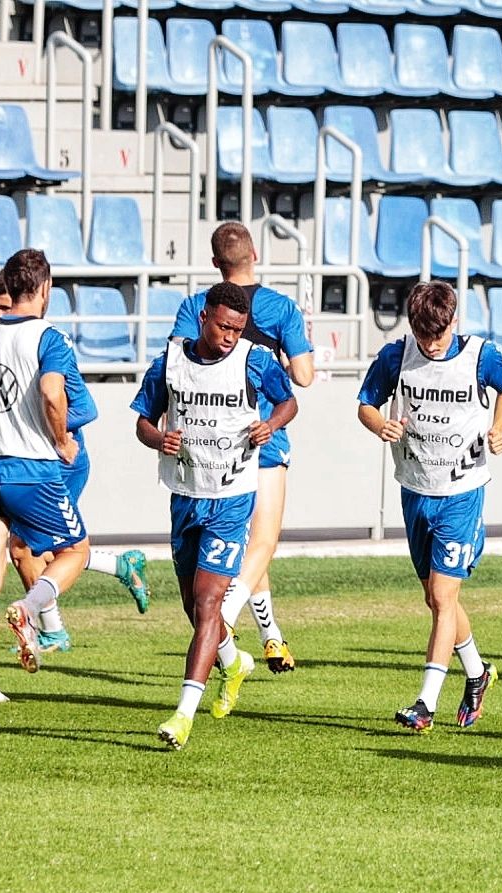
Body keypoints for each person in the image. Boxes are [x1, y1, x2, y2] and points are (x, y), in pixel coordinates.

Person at [134, 282, 297, 749]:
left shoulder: (255, 360)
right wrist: (156, 438)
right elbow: (144, 418)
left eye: (238, 328)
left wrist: (271, 423)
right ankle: (234, 662)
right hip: (185, 494)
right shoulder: (171, 361)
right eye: (224, 325)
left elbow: (289, 401)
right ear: (204, 316)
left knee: (209, 602)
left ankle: (183, 715)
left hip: (231, 498)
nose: (230, 336)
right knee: (192, 606)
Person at [357, 281, 502, 733]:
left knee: (445, 595)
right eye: (424, 336)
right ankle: (477, 673)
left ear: (454, 321)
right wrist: (380, 425)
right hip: (415, 487)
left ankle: (425, 703)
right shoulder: (396, 356)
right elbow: (365, 404)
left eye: (439, 336)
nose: (431, 344)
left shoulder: (480, 355)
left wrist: (499, 427)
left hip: (463, 491)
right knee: (435, 597)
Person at [171, 221, 314, 673]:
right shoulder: (279, 307)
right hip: (261, 436)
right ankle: (227, 618)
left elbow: (179, 364)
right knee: (263, 541)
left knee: (241, 544)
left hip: (206, 439)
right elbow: (305, 376)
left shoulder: (197, 306)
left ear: (216, 263)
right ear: (254, 252)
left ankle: (271, 635)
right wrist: (279, 359)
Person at [0, 273, 149, 659]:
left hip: (57, 463)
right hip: (15, 462)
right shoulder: (0, 341)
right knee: (22, 551)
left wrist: (49, 430)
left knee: (26, 549)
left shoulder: (47, 343)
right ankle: (61, 617)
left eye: (5, 306)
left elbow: (83, 407)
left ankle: (47, 627)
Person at [0, 251, 90, 702]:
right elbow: (51, 392)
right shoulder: (50, 337)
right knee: (77, 551)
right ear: (45, 288)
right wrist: (63, 439)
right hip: (32, 470)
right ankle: (30, 610)